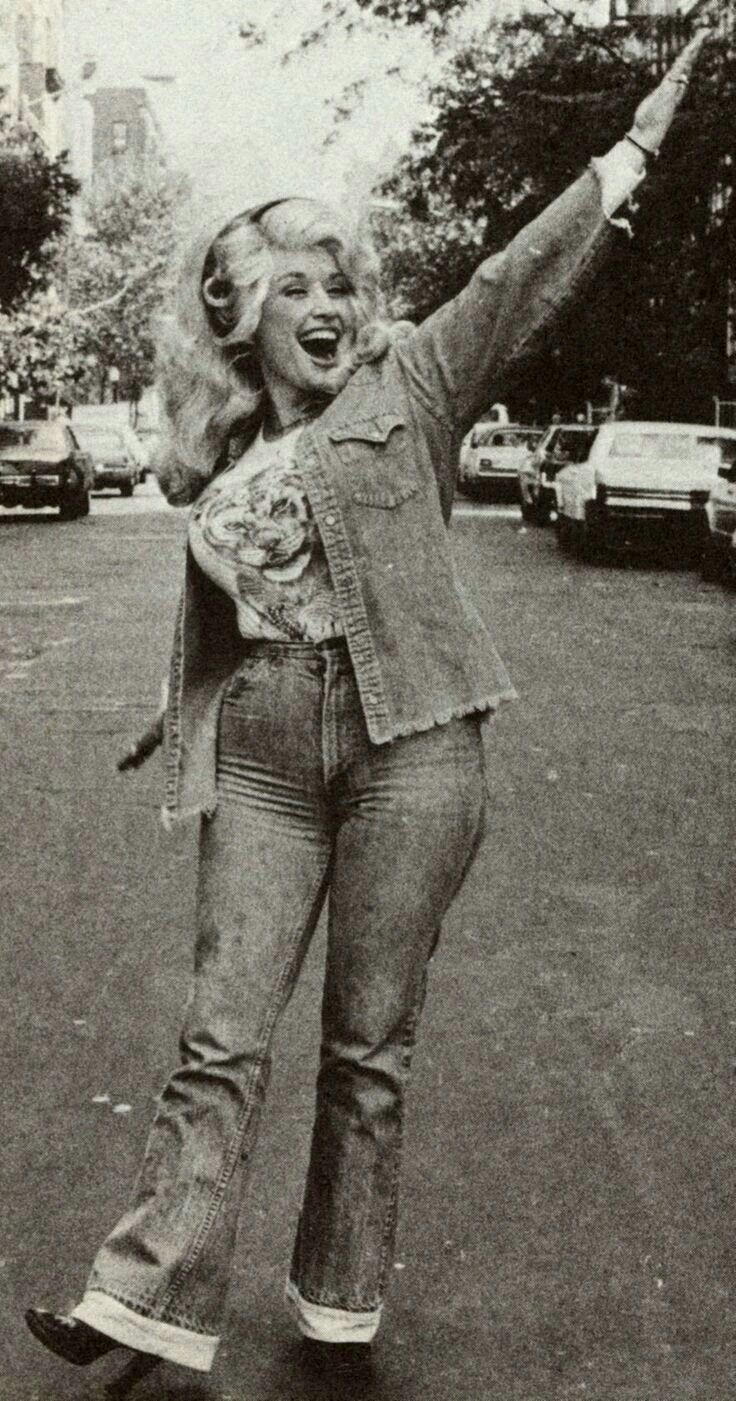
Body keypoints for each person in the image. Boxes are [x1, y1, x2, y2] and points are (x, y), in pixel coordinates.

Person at [25, 33, 707, 1395]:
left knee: (365, 1043)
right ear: (240, 310)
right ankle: (148, 1296)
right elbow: (235, 609)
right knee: (220, 1031)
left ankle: (338, 1300)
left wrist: (632, 146)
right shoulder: (222, 456)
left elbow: (522, 274)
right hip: (272, 753)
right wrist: (183, 707)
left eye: (348, 277)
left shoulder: (418, 381)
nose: (336, 299)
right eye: (300, 282)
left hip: (416, 747)